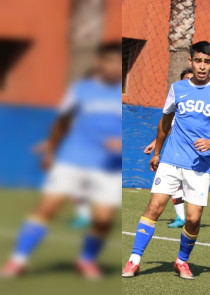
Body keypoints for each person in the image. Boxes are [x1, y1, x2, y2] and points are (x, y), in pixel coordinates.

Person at [1, 42, 123, 279]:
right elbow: (63, 121)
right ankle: (18, 261)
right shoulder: (81, 90)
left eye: (119, 63)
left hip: (108, 165)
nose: (115, 67)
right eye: (110, 61)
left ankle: (86, 259)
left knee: (103, 220)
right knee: (47, 207)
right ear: (100, 63)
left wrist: (121, 143)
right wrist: (51, 149)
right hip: (73, 158)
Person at [122, 41, 210, 279]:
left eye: (208, 62)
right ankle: (134, 260)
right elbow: (165, 121)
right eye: (199, 61)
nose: (203, 66)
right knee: (154, 207)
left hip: (201, 165)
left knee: (193, 219)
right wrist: (157, 151)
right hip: (171, 160)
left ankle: (182, 261)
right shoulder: (178, 88)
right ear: (190, 61)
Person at [143, 68, 210, 229]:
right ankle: (180, 216)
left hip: (198, 156)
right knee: (173, 187)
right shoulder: (179, 100)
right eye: (187, 79)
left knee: (192, 208)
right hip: (176, 151)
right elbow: (167, 127)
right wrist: (155, 145)